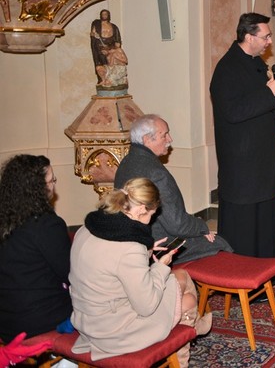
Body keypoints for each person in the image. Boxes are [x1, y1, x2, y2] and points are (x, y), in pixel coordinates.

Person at [69, 178, 211, 363]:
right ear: (142, 209)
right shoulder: (129, 248)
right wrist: (161, 266)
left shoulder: (88, 228)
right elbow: (147, 306)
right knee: (188, 298)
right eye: (152, 215)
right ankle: (185, 349)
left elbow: (112, 263)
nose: (150, 221)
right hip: (114, 332)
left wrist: (146, 250)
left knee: (182, 280)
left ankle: (194, 326)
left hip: (87, 320)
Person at [210, 12, 275, 259]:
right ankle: (242, 274)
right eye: (265, 37)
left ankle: (267, 270)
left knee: (265, 223)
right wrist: (268, 93)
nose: (269, 42)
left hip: (262, 163)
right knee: (244, 228)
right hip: (243, 167)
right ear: (249, 37)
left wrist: (273, 92)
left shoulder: (255, 63)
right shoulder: (227, 69)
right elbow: (232, 111)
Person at [114, 114, 232, 264]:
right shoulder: (156, 173)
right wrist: (202, 226)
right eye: (164, 135)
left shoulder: (126, 162)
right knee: (220, 242)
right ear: (147, 139)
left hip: (131, 238)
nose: (170, 139)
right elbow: (177, 225)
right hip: (158, 243)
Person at [0, 155, 71, 343]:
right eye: (51, 181)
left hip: (6, 322)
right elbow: (71, 274)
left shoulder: (5, 221)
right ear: (37, 188)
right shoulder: (47, 225)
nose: (53, 185)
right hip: (39, 322)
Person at [90, 9, 128, 88]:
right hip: (99, 48)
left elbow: (117, 43)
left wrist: (109, 50)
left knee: (109, 65)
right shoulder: (96, 24)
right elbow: (92, 33)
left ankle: (110, 81)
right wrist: (94, 34)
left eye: (106, 14)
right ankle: (102, 80)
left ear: (109, 15)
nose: (104, 16)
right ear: (100, 15)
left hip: (110, 48)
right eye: (103, 14)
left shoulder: (114, 27)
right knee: (100, 67)